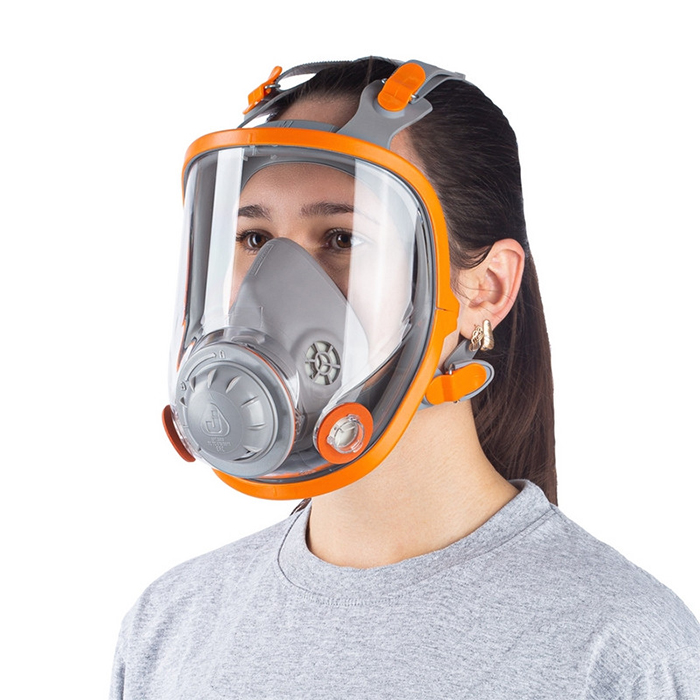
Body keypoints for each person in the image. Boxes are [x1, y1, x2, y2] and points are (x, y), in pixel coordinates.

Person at [111, 57, 700, 699]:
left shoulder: (618, 649)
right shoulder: (172, 625)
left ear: (484, 289)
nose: (270, 287)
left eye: (342, 238)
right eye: (253, 239)